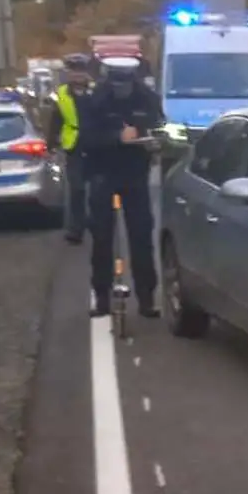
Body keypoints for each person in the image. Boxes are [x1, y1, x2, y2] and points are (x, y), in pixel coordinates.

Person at [81, 56, 164, 318]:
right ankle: (102, 297)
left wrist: (156, 140)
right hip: (103, 171)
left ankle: (147, 297)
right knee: (102, 238)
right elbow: (86, 138)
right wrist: (117, 137)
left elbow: (160, 125)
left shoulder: (147, 98)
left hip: (135, 173)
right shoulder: (95, 100)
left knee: (141, 235)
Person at [47, 53, 95, 244]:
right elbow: (55, 120)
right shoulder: (62, 94)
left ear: (86, 73)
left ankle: (99, 224)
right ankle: (77, 229)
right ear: (68, 74)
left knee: (99, 189)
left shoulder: (96, 91)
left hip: (96, 146)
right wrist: (51, 143)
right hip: (74, 146)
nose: (77, 76)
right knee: (77, 190)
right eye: (73, 72)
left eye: (80, 72)